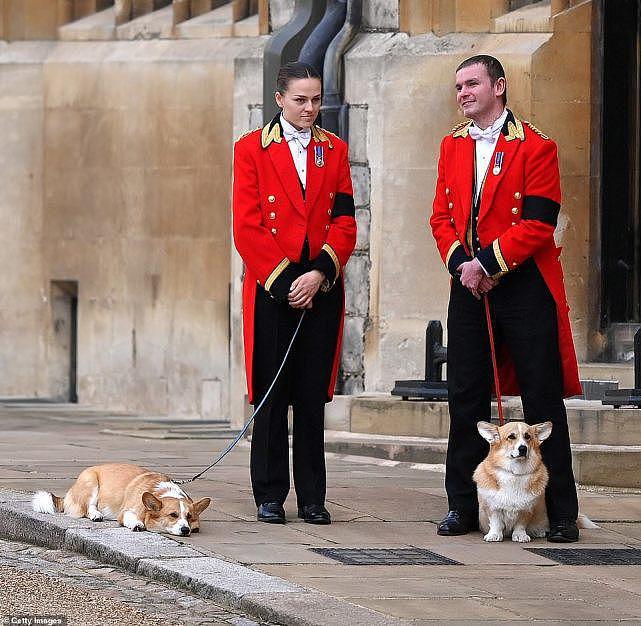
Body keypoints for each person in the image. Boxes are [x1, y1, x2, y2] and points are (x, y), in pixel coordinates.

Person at [429, 55, 583, 542]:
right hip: (469, 286)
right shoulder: (451, 145)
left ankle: (560, 514)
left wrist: (489, 265)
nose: (463, 93)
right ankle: (460, 507)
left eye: (472, 83)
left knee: (542, 400)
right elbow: (440, 218)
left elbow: (539, 222)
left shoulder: (537, 146)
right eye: (458, 86)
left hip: (523, 285)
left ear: (499, 86)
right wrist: (464, 267)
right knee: (464, 399)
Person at [232, 62, 356, 525]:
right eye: (300, 100)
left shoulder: (335, 150)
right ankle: (268, 493)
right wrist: (287, 283)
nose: (310, 108)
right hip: (272, 289)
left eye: (316, 99)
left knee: (309, 395)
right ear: (279, 99)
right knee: (270, 393)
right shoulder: (251, 149)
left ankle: (311, 498)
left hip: (319, 287)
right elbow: (247, 227)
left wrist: (320, 272)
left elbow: (345, 219)